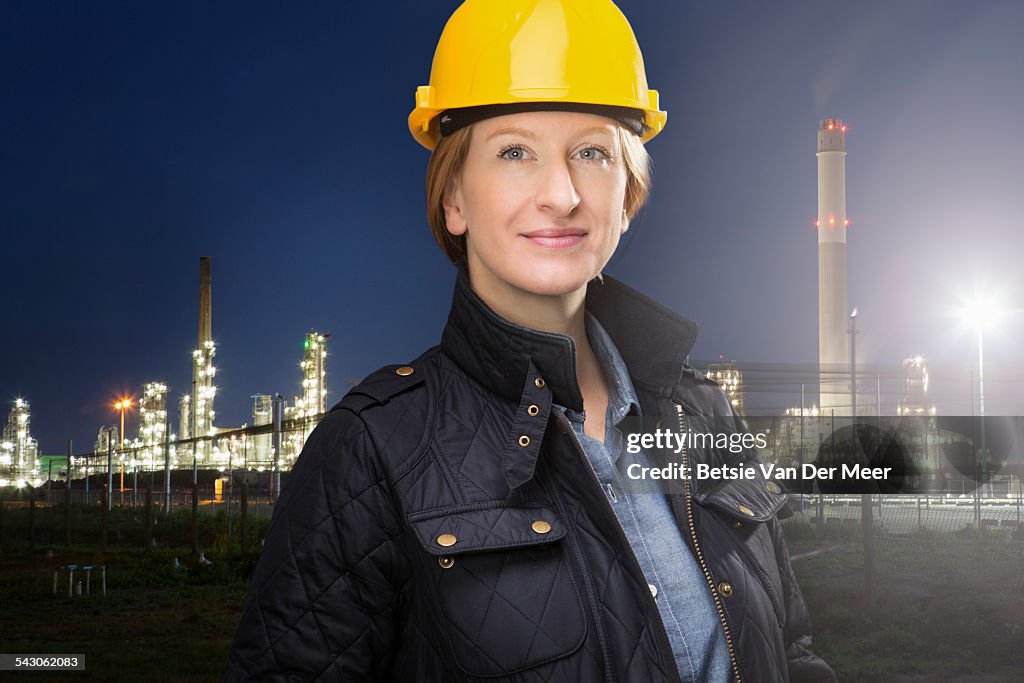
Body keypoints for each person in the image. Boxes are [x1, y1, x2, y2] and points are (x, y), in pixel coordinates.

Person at [225, 1, 837, 681]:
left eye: (592, 153)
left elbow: (792, 649)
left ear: (627, 196)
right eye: (516, 151)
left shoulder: (703, 413)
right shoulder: (372, 451)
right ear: (453, 197)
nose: (562, 193)